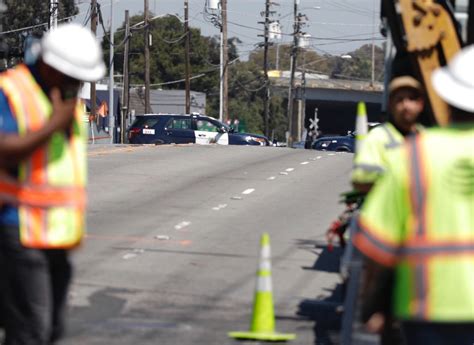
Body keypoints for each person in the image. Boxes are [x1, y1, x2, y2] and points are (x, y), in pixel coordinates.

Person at [353, 45, 474, 344]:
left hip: (427, 307)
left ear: (443, 98)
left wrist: (373, 306)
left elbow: (379, 246)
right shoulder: (395, 142)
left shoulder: (415, 154)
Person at [0, 23, 105, 344]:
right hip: (18, 230)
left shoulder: (65, 98)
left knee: (50, 330)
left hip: (55, 237)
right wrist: (52, 126)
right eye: (72, 76)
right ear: (49, 66)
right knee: (31, 331)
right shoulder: (12, 91)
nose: (77, 84)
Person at [351, 75, 425, 193]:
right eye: (399, 100)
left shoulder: (429, 139)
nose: (406, 105)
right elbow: (360, 180)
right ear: (391, 105)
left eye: (411, 99)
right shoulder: (378, 137)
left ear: (420, 104)